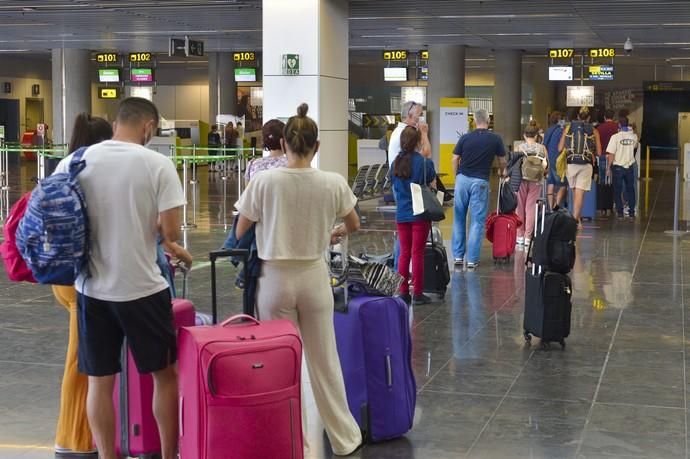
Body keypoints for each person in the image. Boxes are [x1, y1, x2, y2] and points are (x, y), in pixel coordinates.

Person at [54, 98, 186, 459]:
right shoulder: (157, 164)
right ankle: (168, 453)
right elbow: (169, 230)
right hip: (142, 288)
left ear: (117, 123)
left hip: (90, 288)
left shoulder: (74, 162)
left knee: (100, 381)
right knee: (164, 375)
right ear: (148, 126)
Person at [234, 103, 363, 456]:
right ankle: (344, 438)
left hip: (274, 281)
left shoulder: (264, 181)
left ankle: (285, 438)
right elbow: (354, 223)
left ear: (284, 144)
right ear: (316, 146)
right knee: (325, 362)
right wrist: (331, 232)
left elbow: (240, 228)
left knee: (277, 364)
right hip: (314, 276)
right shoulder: (332, 182)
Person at [52, 113, 113, 458]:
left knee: (88, 359)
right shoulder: (97, 169)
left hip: (63, 275)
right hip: (85, 277)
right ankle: (73, 439)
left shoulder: (65, 165)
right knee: (82, 363)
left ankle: (89, 434)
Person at [451, 108, 507, 270]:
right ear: (488, 120)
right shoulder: (495, 139)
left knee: (459, 218)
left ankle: (458, 256)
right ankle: (472, 260)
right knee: (477, 222)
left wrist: (457, 177)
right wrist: (502, 171)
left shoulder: (465, 138)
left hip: (462, 180)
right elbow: (502, 161)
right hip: (480, 181)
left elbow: (455, 159)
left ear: (475, 121)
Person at [391, 126, 437, 305]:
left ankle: (403, 292)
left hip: (402, 213)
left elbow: (393, 183)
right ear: (418, 142)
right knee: (417, 253)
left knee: (404, 253)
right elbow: (432, 180)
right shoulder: (424, 163)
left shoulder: (396, 161)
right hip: (419, 214)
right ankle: (417, 292)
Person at [558, 106, 601, 228]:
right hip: (586, 165)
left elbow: (560, 148)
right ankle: (576, 221)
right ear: (588, 117)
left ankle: (577, 220)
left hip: (571, 164)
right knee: (580, 194)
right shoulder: (594, 130)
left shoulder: (568, 128)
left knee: (574, 193)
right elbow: (599, 152)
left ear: (577, 116)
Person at [514, 121, 548, 247]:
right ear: (536, 136)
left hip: (521, 179)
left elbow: (514, 165)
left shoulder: (519, 148)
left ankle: (520, 236)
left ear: (524, 135)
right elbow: (546, 165)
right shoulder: (542, 148)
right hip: (536, 180)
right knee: (531, 207)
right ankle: (529, 237)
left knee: (520, 207)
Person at [606, 116, 639, 218]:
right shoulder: (634, 136)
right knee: (630, 189)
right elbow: (635, 146)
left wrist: (608, 168)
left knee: (617, 190)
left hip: (618, 167)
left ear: (619, 124)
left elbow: (611, 154)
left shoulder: (615, 137)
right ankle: (632, 212)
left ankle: (620, 212)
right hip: (629, 166)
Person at [543, 111, 567, 209]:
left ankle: (550, 206)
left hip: (549, 159)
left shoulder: (548, 130)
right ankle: (555, 205)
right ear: (559, 120)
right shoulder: (561, 130)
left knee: (551, 183)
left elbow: (544, 145)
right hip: (558, 160)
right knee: (563, 184)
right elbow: (563, 146)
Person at [597, 109, 618, 179]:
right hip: (615, 156)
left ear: (604, 117)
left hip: (603, 155)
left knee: (602, 179)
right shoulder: (617, 127)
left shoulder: (599, 128)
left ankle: (603, 189)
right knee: (615, 179)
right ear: (613, 117)